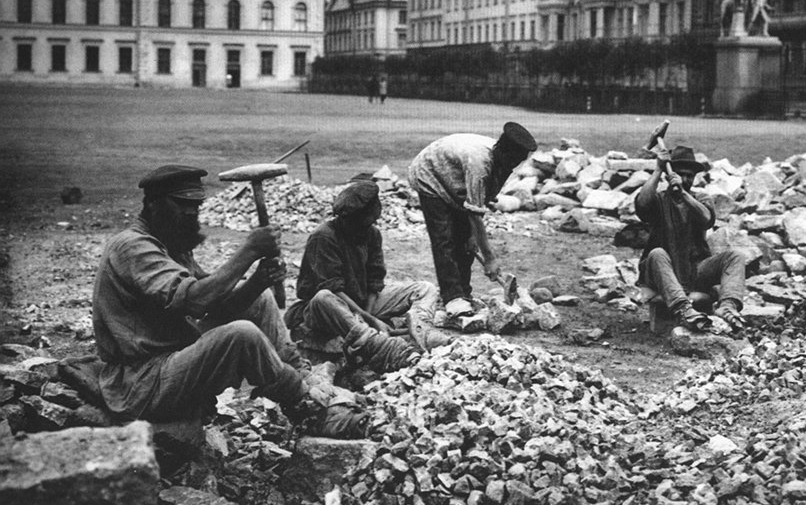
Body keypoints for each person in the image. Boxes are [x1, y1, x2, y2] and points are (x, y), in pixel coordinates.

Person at [92, 165, 367, 437]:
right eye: (181, 205)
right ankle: (307, 410)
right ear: (153, 205)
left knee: (259, 298)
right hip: (141, 381)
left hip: (170, 360)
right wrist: (249, 250)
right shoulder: (132, 246)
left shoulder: (170, 244)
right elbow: (196, 300)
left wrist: (259, 281)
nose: (191, 213)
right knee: (242, 336)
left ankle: (301, 377)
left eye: (196, 206)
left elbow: (217, 304)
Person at [285, 180, 448, 372]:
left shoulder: (372, 233)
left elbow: (374, 280)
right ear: (348, 220)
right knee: (323, 298)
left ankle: (421, 330)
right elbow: (332, 288)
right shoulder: (324, 237)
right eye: (364, 222)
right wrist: (369, 319)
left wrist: (369, 315)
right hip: (325, 308)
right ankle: (374, 343)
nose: (369, 226)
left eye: (372, 221)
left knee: (424, 288)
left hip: (360, 302)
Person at [407, 122, 538, 318]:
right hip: (430, 174)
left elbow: (481, 200)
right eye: (515, 160)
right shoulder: (480, 163)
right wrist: (490, 259)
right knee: (444, 238)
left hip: (454, 180)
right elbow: (475, 214)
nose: (517, 164)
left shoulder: (504, 162)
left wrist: (472, 237)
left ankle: (464, 293)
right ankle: (452, 297)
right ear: (506, 153)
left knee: (466, 241)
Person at [636, 145, 746, 333]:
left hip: (694, 270)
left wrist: (684, 194)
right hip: (661, 270)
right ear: (669, 175)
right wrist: (658, 169)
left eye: (689, 176)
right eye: (681, 174)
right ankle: (683, 309)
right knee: (657, 253)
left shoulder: (701, 198)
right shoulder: (660, 199)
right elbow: (642, 205)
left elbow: (707, 220)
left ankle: (727, 306)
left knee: (735, 256)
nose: (685, 179)